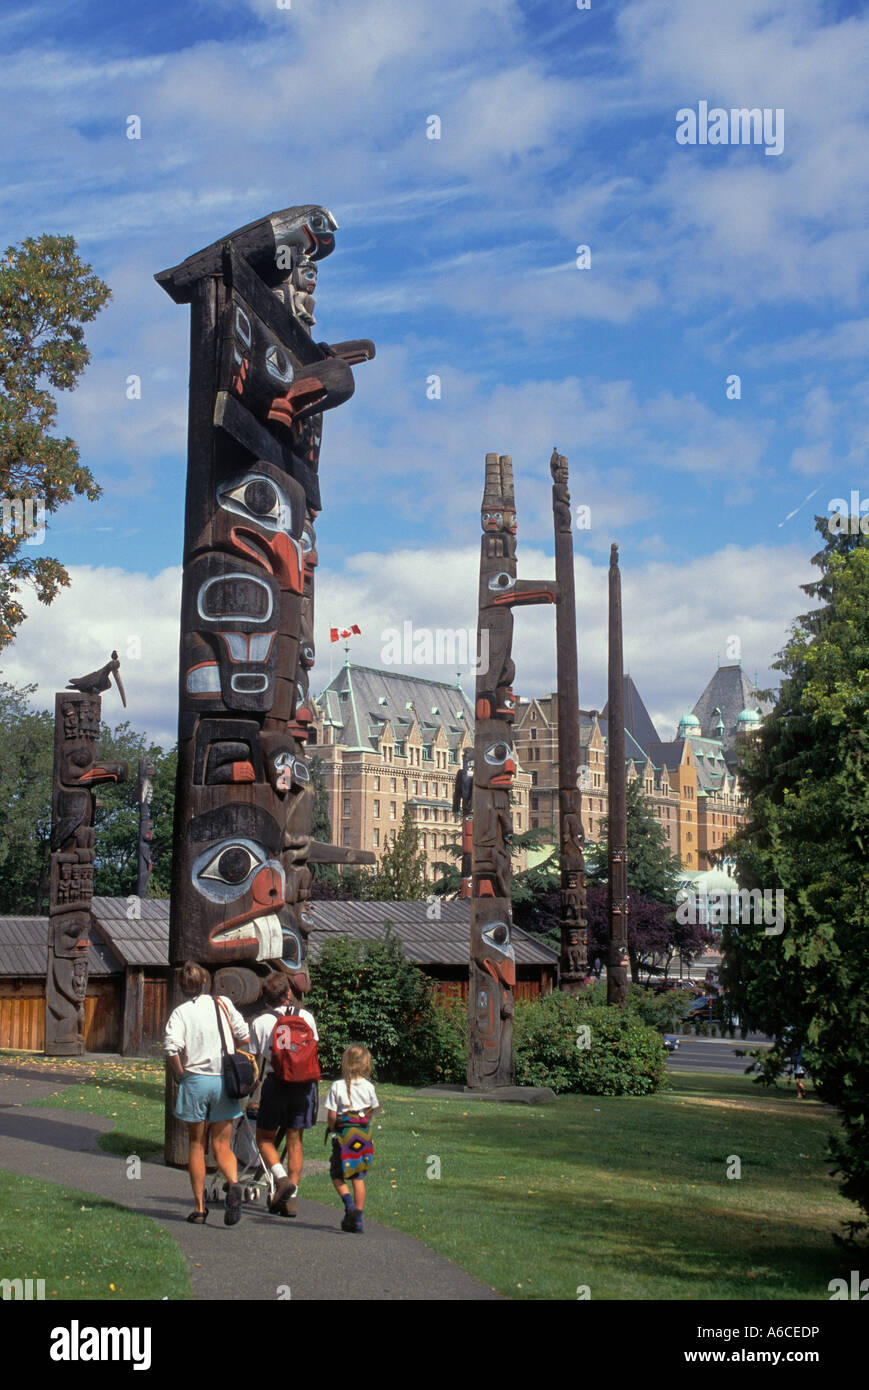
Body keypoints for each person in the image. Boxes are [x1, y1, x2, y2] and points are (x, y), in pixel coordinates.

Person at [163, 961, 250, 1226]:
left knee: (196, 1145)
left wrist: (181, 1074)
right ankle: (234, 1183)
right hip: (224, 1079)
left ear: (181, 987)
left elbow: (171, 1048)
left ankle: (200, 1208)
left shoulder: (180, 1013)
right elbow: (244, 1036)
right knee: (222, 1144)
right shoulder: (222, 1003)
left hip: (196, 1080)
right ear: (204, 983)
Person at [251, 972, 320, 1216]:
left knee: (264, 1138)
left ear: (266, 997)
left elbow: (254, 1057)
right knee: (295, 1141)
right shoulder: (306, 1017)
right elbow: (313, 1047)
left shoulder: (260, 1022)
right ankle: (292, 1197)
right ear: (288, 993)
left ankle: (281, 1180)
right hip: (303, 1086)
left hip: (276, 1083)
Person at [325, 1044, 379, 1234]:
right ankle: (358, 1219)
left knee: (337, 1174)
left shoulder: (337, 1086)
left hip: (343, 1138)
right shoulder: (369, 1086)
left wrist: (332, 1128)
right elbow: (373, 1111)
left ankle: (349, 1205)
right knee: (358, 1176)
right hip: (362, 1138)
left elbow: (331, 1116)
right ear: (366, 1064)